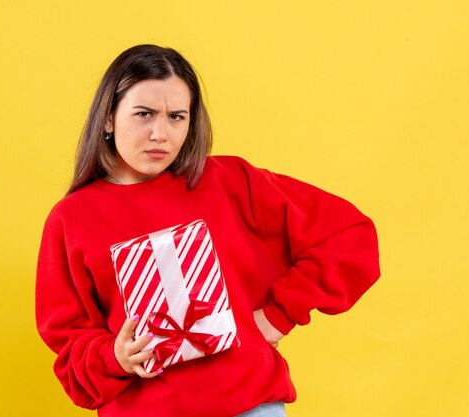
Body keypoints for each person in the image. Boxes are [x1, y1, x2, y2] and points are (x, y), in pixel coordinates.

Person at [35, 44, 380, 417]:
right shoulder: (72, 218)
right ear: (108, 118)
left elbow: (348, 234)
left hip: (250, 405)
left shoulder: (228, 182)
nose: (160, 133)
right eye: (144, 114)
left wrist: (279, 314)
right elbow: (69, 342)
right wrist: (114, 356)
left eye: (176, 117)